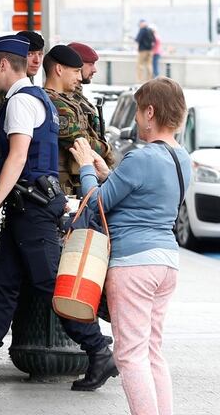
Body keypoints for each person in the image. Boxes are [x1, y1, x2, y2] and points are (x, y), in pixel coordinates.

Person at [0, 35, 117, 391]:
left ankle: (99, 352)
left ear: (4, 65)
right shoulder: (37, 98)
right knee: (3, 285)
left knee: (52, 285)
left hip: (33, 209)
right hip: (30, 206)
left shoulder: (22, 102)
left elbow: (18, 157)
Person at [69, 77, 191, 415]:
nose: (137, 119)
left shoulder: (141, 158)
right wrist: (108, 172)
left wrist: (84, 168)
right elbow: (142, 195)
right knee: (152, 350)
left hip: (133, 264)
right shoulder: (182, 159)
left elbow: (95, 204)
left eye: (139, 111)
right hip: (166, 262)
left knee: (129, 355)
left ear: (150, 112)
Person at [42, 45, 115, 196]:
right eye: (76, 71)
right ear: (59, 70)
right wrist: (105, 147)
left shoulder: (68, 101)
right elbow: (79, 142)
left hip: (73, 183)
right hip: (63, 186)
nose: (80, 77)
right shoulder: (53, 102)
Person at [0, 30, 44, 116]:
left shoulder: (24, 82)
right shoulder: (10, 85)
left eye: (40, 54)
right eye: (30, 54)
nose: (37, 60)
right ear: (17, 56)